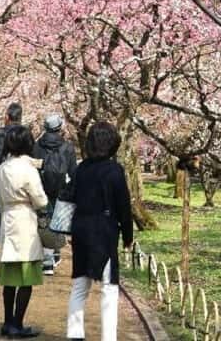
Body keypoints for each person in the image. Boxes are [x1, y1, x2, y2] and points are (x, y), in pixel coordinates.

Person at [66, 122, 134, 341]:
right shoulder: (114, 170)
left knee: (79, 284)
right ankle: (108, 337)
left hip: (81, 229)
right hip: (103, 233)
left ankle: (75, 334)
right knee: (109, 288)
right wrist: (127, 235)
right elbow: (124, 206)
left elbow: (71, 197)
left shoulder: (81, 168)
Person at [0, 125, 48, 338]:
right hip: (25, 220)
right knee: (26, 277)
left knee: (9, 278)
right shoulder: (28, 169)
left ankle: (8, 322)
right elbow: (40, 200)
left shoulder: (2, 168)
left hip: (8, 219)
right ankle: (18, 323)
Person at [31, 113, 77, 276]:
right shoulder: (68, 147)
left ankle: (47, 261)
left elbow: (33, 169)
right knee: (58, 221)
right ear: (59, 128)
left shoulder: (37, 146)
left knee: (43, 222)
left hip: (40, 188)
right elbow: (73, 172)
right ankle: (55, 253)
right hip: (61, 189)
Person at [0, 102, 24, 244]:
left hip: (3, 170)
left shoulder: (2, 132)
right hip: (21, 170)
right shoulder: (25, 131)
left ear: (7, 116)